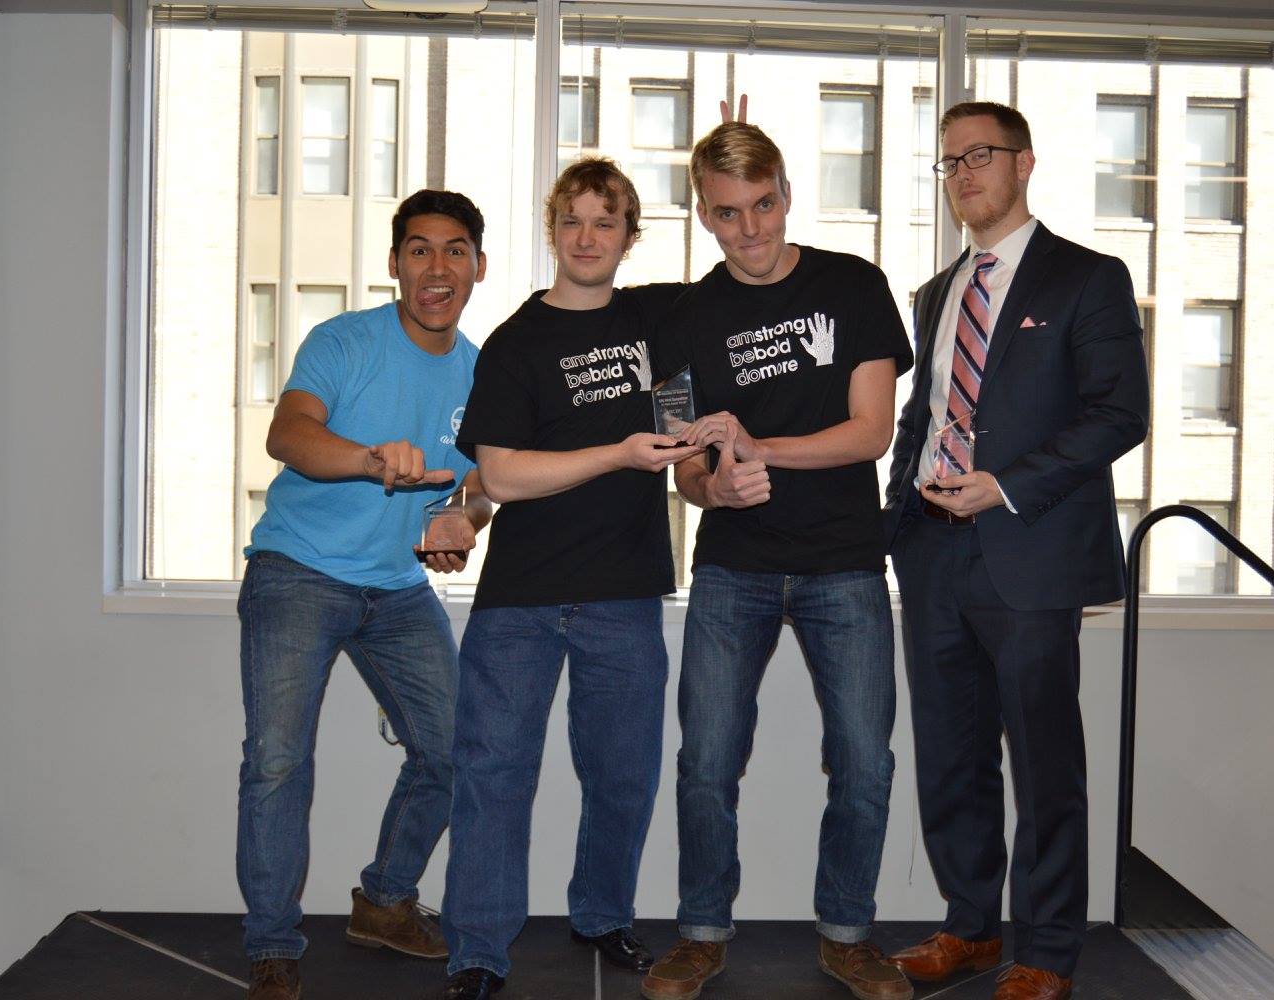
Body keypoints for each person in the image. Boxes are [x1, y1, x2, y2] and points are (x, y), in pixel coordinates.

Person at [640, 121, 915, 1000]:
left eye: (763, 205)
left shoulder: (853, 285)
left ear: (787, 193)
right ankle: (701, 931)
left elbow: (871, 432)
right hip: (733, 566)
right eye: (729, 214)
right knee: (708, 760)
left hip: (844, 562)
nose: (750, 230)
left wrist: (763, 448)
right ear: (703, 214)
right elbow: (684, 463)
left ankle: (847, 933)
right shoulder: (680, 320)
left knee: (865, 761)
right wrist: (714, 490)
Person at [881, 101, 1150, 1000]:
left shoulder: (1088, 277)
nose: (964, 173)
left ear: (1024, 163)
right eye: (949, 161)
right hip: (933, 555)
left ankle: (1046, 948)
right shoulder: (935, 292)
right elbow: (922, 419)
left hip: (1030, 552)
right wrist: (896, 530)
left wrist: (1004, 483)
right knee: (949, 755)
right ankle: (970, 928)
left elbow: (1120, 414)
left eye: (980, 155)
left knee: (1042, 761)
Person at [438, 158, 718, 1000]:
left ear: (632, 236)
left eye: (606, 221)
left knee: (624, 773)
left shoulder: (661, 317)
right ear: (551, 230)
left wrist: (731, 144)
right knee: (492, 776)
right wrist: (622, 454)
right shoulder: (519, 340)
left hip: (626, 591)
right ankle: (478, 952)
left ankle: (601, 916)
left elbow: (745, 262)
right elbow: (505, 475)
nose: (588, 237)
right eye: (573, 221)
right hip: (520, 599)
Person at [236, 189, 494, 1000]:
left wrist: (463, 518)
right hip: (298, 572)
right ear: (395, 264)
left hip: (395, 587)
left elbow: (484, 485)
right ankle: (273, 945)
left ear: (477, 266)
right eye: (419, 250)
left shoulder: (482, 370)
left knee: (456, 750)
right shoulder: (342, 340)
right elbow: (289, 435)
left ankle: (384, 900)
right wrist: (371, 461)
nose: (437, 267)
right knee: (279, 762)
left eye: (455, 250)